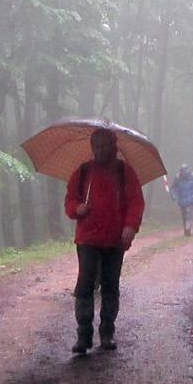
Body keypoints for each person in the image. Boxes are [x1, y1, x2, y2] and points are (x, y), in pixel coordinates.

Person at [64, 127, 145, 355]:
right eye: (96, 146)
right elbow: (69, 200)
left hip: (114, 240)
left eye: (105, 145)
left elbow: (136, 201)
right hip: (88, 238)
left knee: (111, 286)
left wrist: (130, 225)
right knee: (85, 285)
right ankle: (83, 335)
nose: (100, 150)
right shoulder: (82, 172)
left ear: (113, 146)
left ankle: (107, 332)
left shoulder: (124, 172)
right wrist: (76, 209)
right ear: (92, 147)